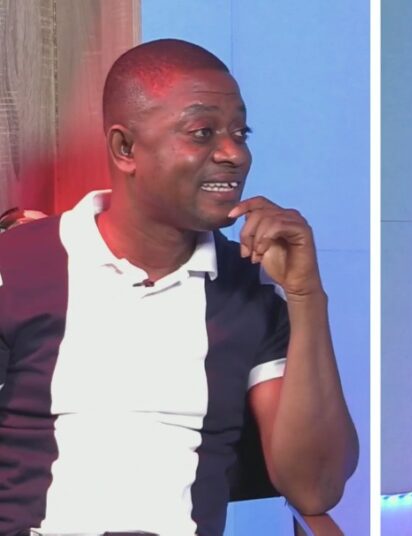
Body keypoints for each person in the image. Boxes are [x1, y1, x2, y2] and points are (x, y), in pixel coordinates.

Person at [0, 38, 358, 535]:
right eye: (202, 132)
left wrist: (306, 296)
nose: (234, 153)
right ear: (125, 149)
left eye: (241, 132)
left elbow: (315, 488)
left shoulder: (250, 289)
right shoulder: (18, 267)